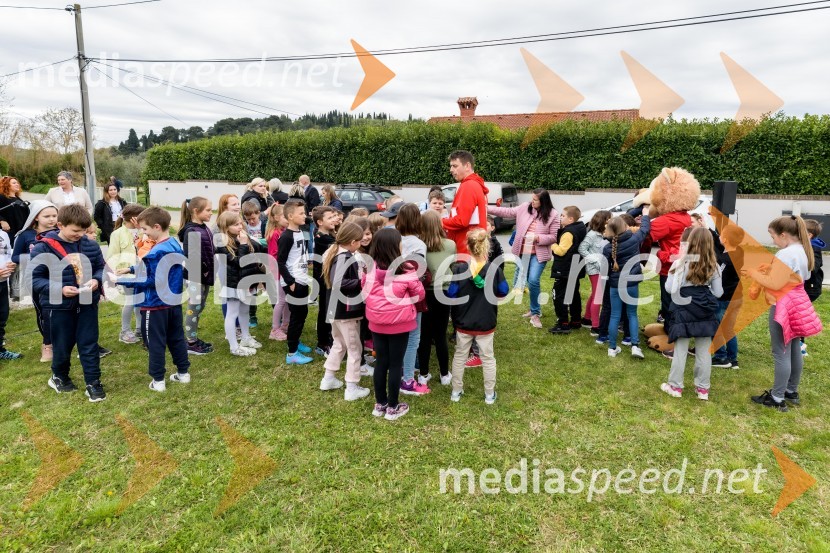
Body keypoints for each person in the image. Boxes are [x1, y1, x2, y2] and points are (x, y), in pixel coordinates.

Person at [746, 216, 823, 412]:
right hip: (798, 301)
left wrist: (754, 274)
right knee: (794, 346)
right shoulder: (803, 250)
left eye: (772, 236)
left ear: (783, 235)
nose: (772, 241)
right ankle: (791, 390)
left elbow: (775, 283)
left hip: (784, 304)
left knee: (781, 351)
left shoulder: (786, 254)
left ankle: (777, 397)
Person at [31, 204, 105, 401]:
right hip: (58, 306)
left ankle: (93, 382)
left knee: (89, 343)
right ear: (60, 225)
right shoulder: (42, 248)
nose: (79, 234)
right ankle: (59, 376)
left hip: (88, 303)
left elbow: (100, 267)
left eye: (83, 230)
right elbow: (35, 279)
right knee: (62, 345)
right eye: (75, 230)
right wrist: (60, 289)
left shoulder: (90, 245)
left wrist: (97, 280)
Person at [115, 207, 191, 392]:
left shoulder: (155, 251)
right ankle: (183, 373)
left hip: (155, 305)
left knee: (154, 342)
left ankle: (158, 381)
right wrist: (131, 270)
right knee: (176, 338)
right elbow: (156, 270)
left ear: (157, 226)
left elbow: (150, 280)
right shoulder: (173, 243)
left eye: (145, 229)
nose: (143, 233)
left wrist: (120, 280)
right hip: (173, 303)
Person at [364, 227, 424, 421]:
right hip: (400, 323)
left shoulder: (369, 269)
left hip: (377, 322)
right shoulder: (406, 269)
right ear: (396, 247)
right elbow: (419, 294)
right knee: (396, 363)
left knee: (382, 362)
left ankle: (380, 403)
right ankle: (393, 406)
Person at [660, 227, 723, 400]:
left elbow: (669, 288)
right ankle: (703, 390)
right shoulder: (714, 266)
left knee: (681, 349)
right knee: (703, 350)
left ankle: (675, 386)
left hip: (684, 308)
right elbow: (718, 293)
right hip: (704, 309)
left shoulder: (680, 263)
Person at [448, 228, 509, 404]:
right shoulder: (494, 269)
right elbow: (503, 291)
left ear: (467, 246)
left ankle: (456, 391)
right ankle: (489, 394)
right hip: (486, 319)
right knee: (487, 357)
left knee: (460, 355)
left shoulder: (459, 268)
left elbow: (452, 294)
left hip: (463, 320)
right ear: (487, 246)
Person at [489, 188, 559, 328]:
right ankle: (534, 309)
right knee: (527, 280)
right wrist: (485, 208)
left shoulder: (553, 214)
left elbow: (554, 236)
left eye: (535, 200)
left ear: (543, 201)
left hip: (539, 254)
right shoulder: (524, 208)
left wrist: (537, 237)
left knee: (533, 280)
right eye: (532, 198)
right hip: (524, 253)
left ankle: (535, 314)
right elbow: (506, 212)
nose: (531, 201)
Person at [319, 221, 371, 401]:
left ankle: (329, 378)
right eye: (359, 240)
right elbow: (339, 282)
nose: (361, 242)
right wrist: (363, 281)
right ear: (352, 242)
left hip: (335, 310)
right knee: (354, 349)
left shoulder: (336, 253)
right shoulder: (345, 257)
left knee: (339, 344)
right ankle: (351, 387)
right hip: (346, 311)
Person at [12, 200, 58, 361]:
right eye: (47, 216)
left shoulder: (60, 232)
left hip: (59, 276)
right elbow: (15, 256)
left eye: (54, 215)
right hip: (37, 278)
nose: (52, 219)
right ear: (36, 217)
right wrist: (34, 256)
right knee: (44, 312)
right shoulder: (25, 235)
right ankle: (48, 344)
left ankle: (62, 339)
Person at [215, 211, 263, 357]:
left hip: (247, 281)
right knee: (232, 313)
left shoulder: (242, 236)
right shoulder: (222, 244)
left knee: (244, 310)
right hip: (234, 283)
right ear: (226, 227)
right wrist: (243, 244)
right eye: (235, 224)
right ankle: (234, 346)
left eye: (240, 223)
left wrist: (248, 239)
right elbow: (239, 262)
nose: (240, 226)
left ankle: (246, 337)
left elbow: (257, 248)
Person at [417, 210, 456, 386]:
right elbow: (453, 265)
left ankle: (423, 374)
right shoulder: (450, 245)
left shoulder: (419, 246)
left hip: (424, 292)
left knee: (424, 335)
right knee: (440, 334)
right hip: (443, 291)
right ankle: (444, 373)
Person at [395, 203, 430, 396]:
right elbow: (417, 272)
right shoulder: (418, 245)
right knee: (412, 337)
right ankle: (408, 379)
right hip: (411, 294)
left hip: (394, 293)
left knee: (399, 335)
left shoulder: (394, 239)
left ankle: (401, 369)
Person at [277, 199, 314, 365]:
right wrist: (290, 281)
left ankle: (296, 341)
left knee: (302, 313)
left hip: (302, 279)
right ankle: (292, 353)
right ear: (290, 216)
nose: (304, 216)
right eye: (301, 213)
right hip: (294, 283)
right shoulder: (286, 236)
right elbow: (280, 261)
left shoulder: (301, 231)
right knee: (297, 316)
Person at [177, 197, 215, 355]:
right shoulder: (191, 231)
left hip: (204, 276)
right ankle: (190, 342)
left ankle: (193, 337)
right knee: (193, 308)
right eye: (208, 210)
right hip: (195, 277)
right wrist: (204, 270)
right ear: (195, 211)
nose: (211, 213)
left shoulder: (204, 227)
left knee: (200, 307)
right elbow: (192, 258)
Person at [107, 203, 145, 346]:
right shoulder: (117, 234)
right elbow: (112, 256)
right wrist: (115, 276)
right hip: (126, 275)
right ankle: (125, 331)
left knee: (140, 302)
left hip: (141, 273)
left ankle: (139, 329)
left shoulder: (143, 232)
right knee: (130, 302)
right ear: (134, 218)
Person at [710, 222, 745, 369]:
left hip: (724, 299)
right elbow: (721, 247)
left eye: (721, 234)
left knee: (716, 328)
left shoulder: (724, 260)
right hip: (737, 297)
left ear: (725, 240)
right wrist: (711, 230)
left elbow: (719, 278)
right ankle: (733, 359)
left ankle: (721, 357)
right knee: (729, 328)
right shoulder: (740, 251)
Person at [548, 206, 587, 334]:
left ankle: (563, 323)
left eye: (563, 216)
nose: (560, 217)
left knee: (558, 295)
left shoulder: (568, 233)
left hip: (565, 269)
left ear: (571, 219)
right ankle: (576, 320)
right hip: (575, 266)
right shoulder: (581, 227)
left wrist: (552, 244)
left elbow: (561, 251)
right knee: (573, 294)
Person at [442, 150, 488, 255]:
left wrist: (440, 222)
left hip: (466, 251)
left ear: (467, 166)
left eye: (455, 166)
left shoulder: (469, 186)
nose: (451, 170)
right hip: (474, 249)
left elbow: (462, 220)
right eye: (451, 166)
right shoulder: (476, 184)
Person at [579, 210, 612, 335]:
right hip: (594, 269)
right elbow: (582, 249)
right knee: (598, 296)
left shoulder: (603, 234)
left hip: (601, 269)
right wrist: (594, 259)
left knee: (595, 295)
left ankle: (587, 319)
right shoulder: (592, 235)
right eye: (609, 219)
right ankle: (595, 326)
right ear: (602, 221)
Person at [312, 206, 338, 356]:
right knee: (325, 310)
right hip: (323, 279)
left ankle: (329, 339)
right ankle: (322, 343)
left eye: (335, 216)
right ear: (320, 222)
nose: (334, 219)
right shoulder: (323, 239)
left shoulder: (328, 235)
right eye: (330, 217)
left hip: (328, 278)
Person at [265, 204, 290, 340]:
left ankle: (285, 326)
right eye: (284, 216)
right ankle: (275, 329)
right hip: (278, 273)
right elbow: (273, 256)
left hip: (284, 271)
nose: (287, 218)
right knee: (281, 300)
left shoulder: (284, 231)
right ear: (275, 218)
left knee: (287, 300)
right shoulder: (275, 234)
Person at [801, 219, 824, 357]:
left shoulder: (813, 247)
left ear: (809, 235)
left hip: (810, 289)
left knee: (800, 317)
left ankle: (800, 346)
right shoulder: (807, 245)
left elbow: (813, 267)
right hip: (806, 288)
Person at [0, 225, 20, 360]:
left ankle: (0, 349)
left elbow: (7, 256)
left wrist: (11, 264)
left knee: (2, 317)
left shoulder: (3, 234)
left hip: (2, 283)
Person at [0, 176, 30, 244]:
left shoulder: (18, 199)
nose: (17, 184)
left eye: (17, 183)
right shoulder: (2, 197)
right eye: (14, 183)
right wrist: (2, 220)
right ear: (7, 185)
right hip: (9, 232)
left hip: (20, 232)